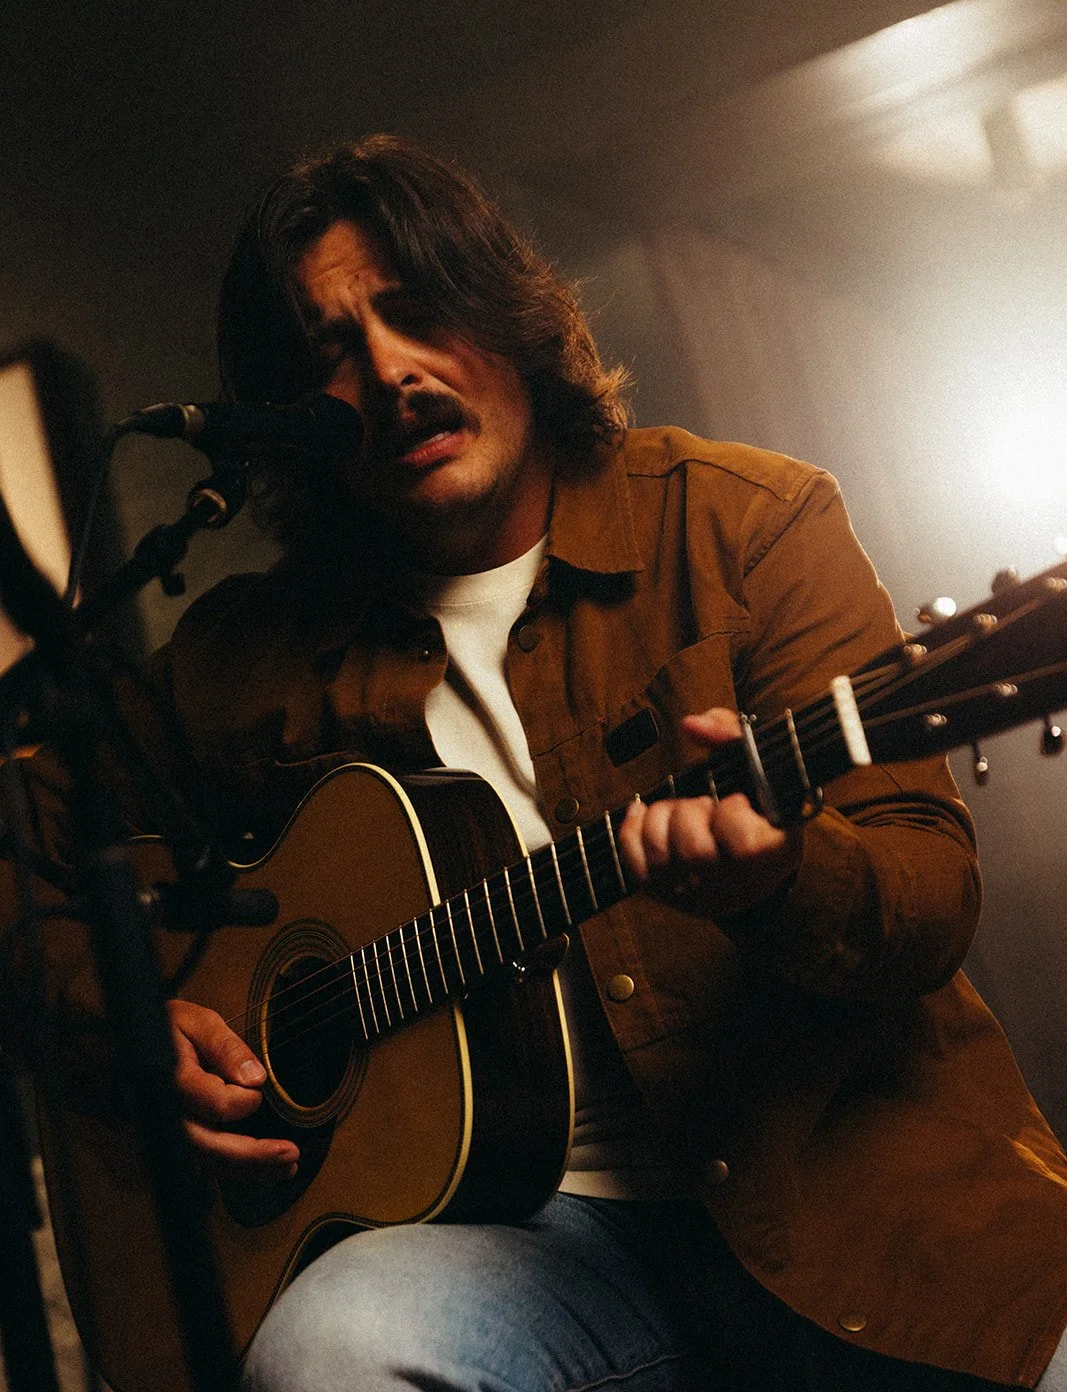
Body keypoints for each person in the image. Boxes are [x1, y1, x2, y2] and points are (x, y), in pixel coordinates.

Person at [8, 135, 1067, 1390]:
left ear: (509, 315)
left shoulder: (742, 522)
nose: (389, 372)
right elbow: (21, 843)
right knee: (327, 1350)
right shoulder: (246, 663)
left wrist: (777, 882)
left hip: (857, 1201)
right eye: (331, 351)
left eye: (417, 310)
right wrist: (124, 1019)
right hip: (530, 1250)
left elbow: (928, 894)